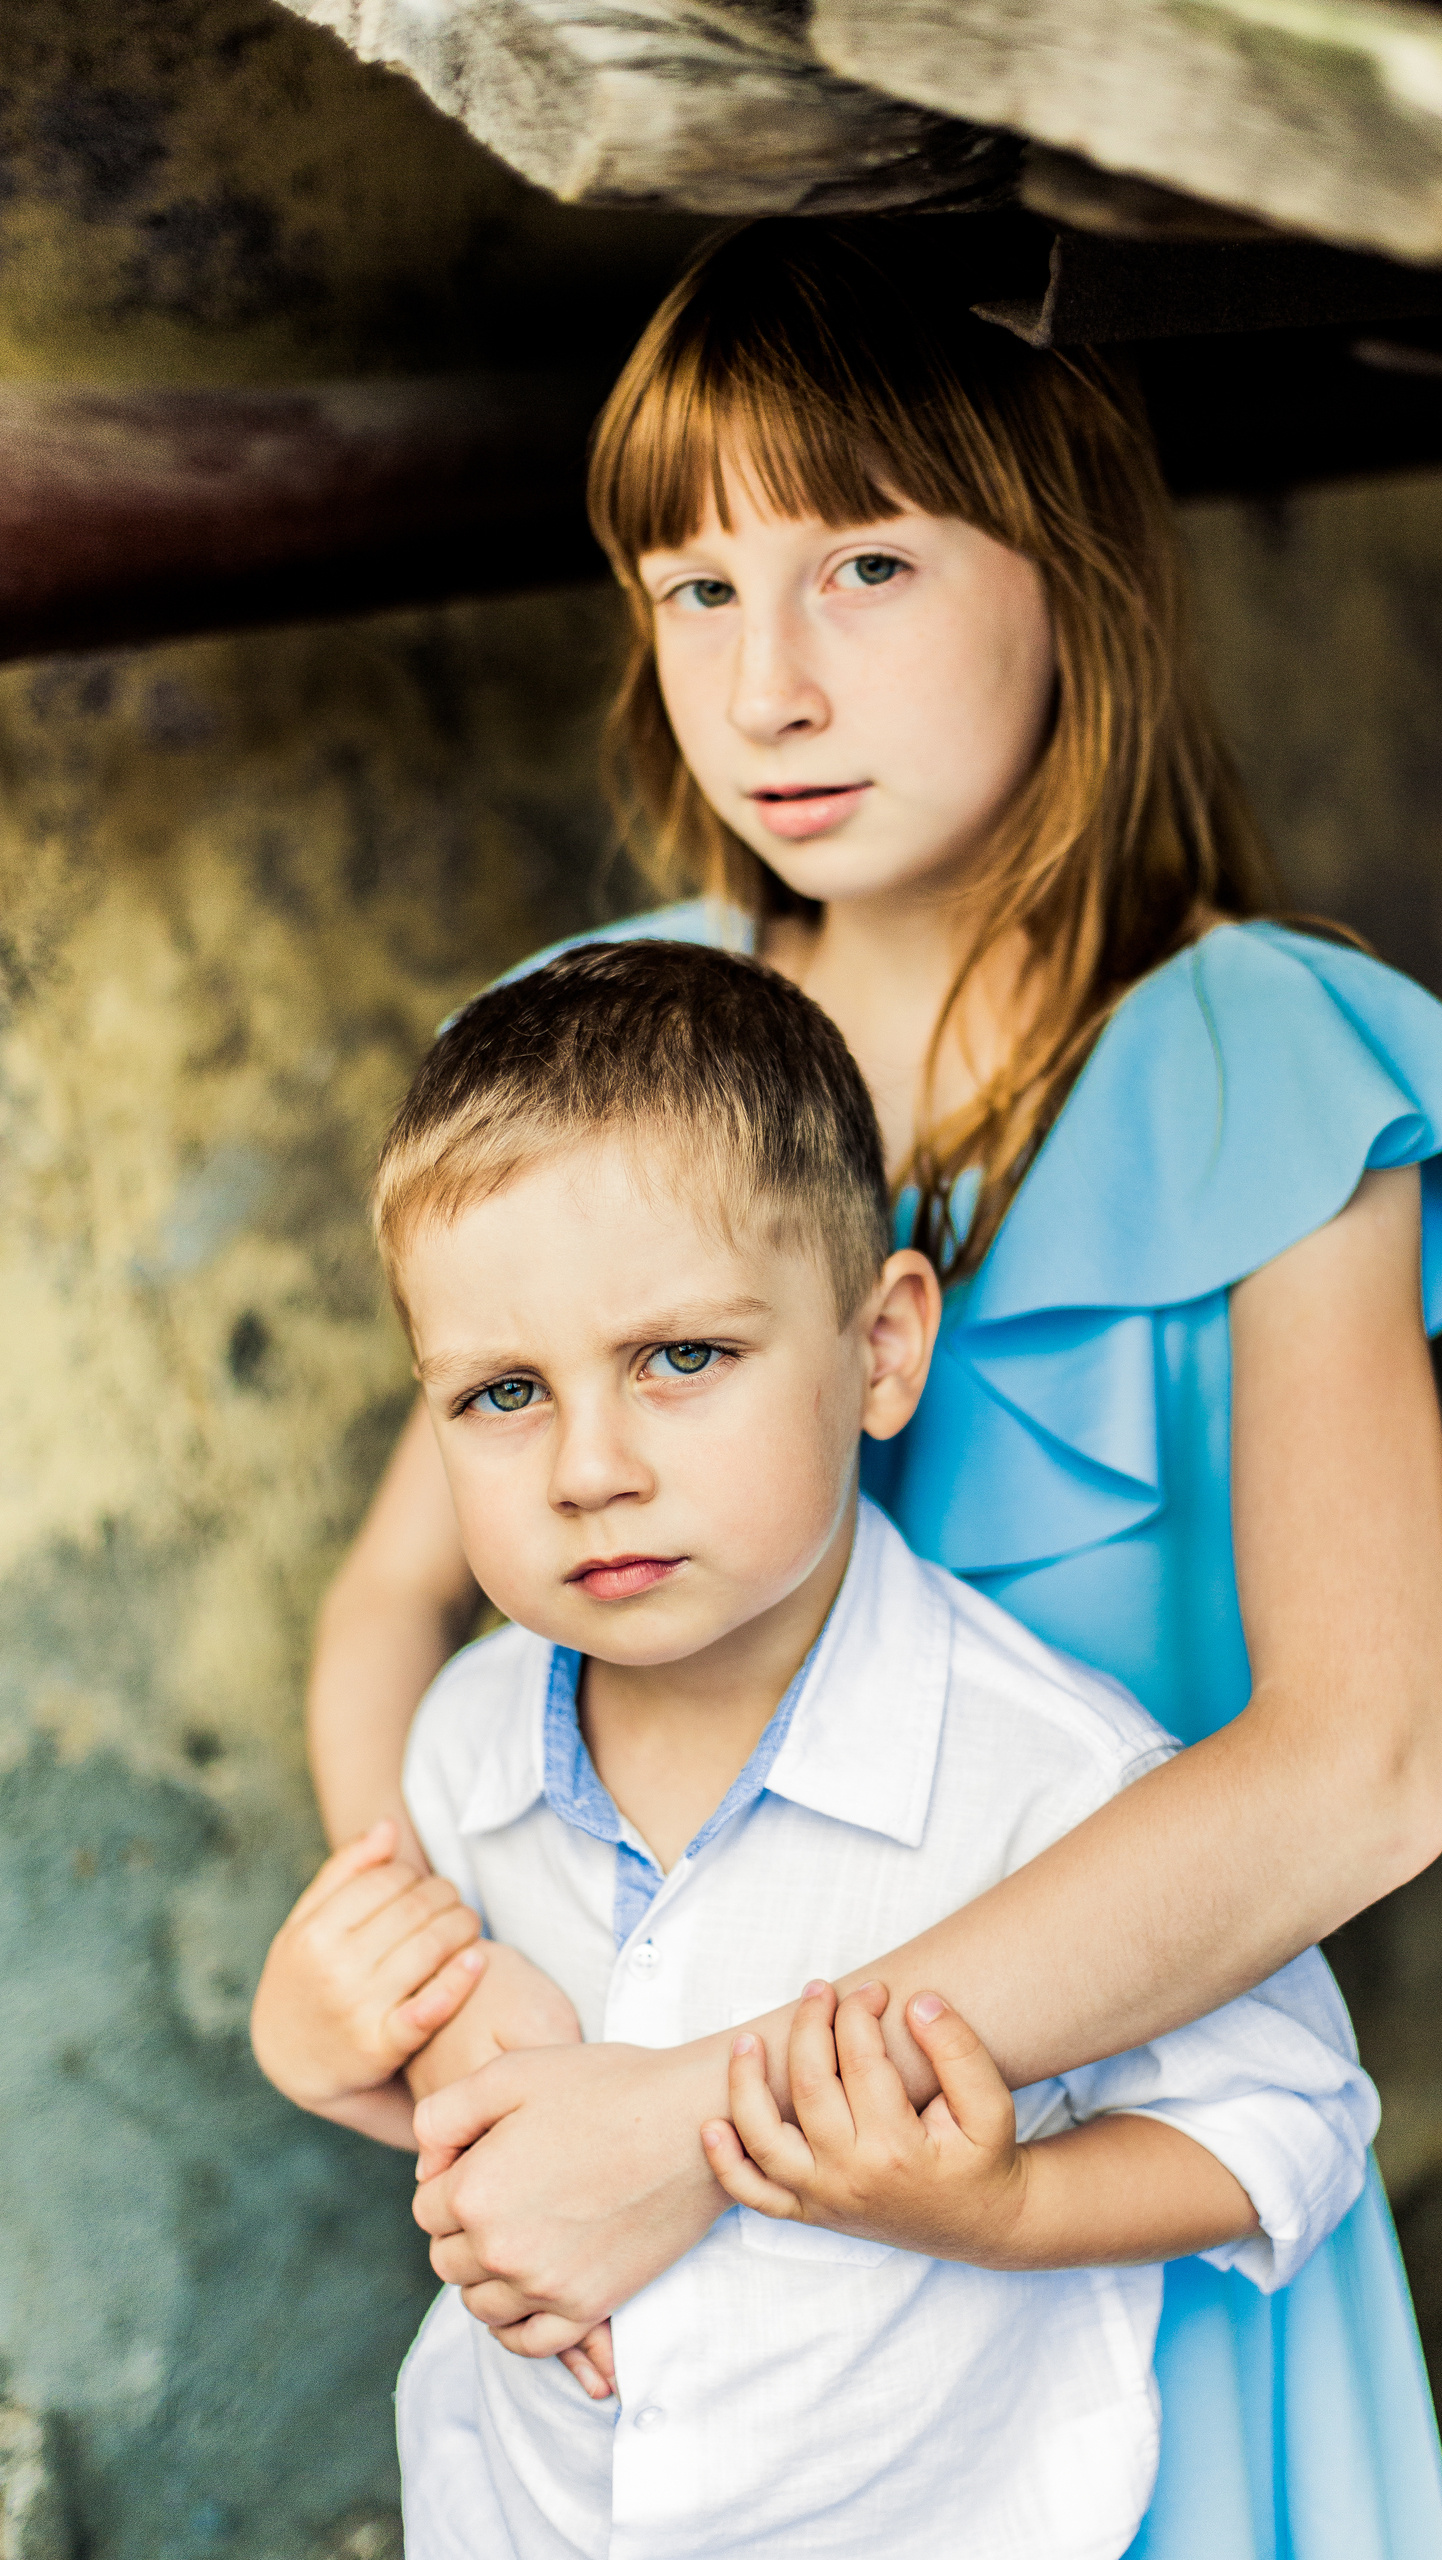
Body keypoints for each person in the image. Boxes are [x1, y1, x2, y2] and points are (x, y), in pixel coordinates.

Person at [255, 221, 1442, 2558]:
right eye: (695, 586)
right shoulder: (617, 1026)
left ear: (1070, 573)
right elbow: (387, 1612)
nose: (768, 687)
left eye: (861, 561)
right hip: (694, 2308)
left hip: (1098, 2208)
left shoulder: (1259, 1053)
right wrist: (460, 2010)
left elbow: (1357, 1771)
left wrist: (696, 2109)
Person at [269, 938, 1381, 2559]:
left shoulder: (1059, 1786)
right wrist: (324, 2042)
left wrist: (1005, 2207)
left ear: (882, 1350)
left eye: (683, 1358)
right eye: (503, 1393)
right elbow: (488, 2126)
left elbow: (1294, 2114)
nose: (589, 1468)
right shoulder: (457, 1749)